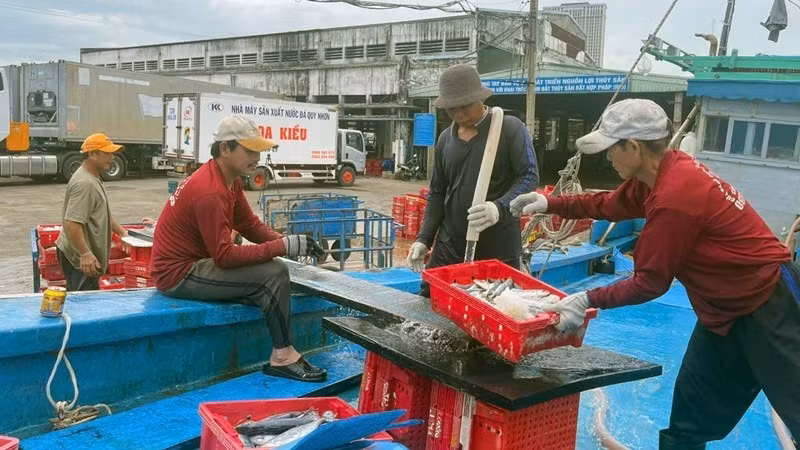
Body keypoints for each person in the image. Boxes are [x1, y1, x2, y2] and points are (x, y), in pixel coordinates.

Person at [510, 98, 800, 448]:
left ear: (633, 147)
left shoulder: (673, 197)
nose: (607, 158)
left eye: (610, 149)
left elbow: (650, 283)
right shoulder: (658, 173)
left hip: (770, 302)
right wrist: (550, 203)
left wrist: (585, 298)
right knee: (689, 421)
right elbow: (608, 205)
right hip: (722, 311)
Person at [150, 115, 327, 382]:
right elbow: (224, 256)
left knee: (272, 271)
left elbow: (249, 224)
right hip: (178, 274)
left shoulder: (227, 179)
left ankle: (283, 350)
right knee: (274, 273)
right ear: (225, 149)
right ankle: (282, 356)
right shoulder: (210, 191)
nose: (256, 157)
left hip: (197, 263)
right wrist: (281, 247)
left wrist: (292, 242)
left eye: (258, 150)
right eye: (249, 150)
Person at [406, 64, 538, 297]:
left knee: (493, 307)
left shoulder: (508, 128)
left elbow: (528, 176)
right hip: (450, 242)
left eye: (464, 106)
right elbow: (437, 192)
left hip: (498, 245)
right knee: (430, 298)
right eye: (451, 109)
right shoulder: (446, 139)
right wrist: (424, 238)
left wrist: (500, 207)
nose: (458, 114)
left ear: (480, 99)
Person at [56, 133, 129, 291]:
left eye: (112, 153)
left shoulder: (93, 177)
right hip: (80, 258)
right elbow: (72, 222)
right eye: (107, 153)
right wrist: (85, 253)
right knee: (84, 307)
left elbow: (102, 214)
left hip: (85, 256)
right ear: (92, 154)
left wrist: (122, 232)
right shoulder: (85, 184)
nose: (112, 157)